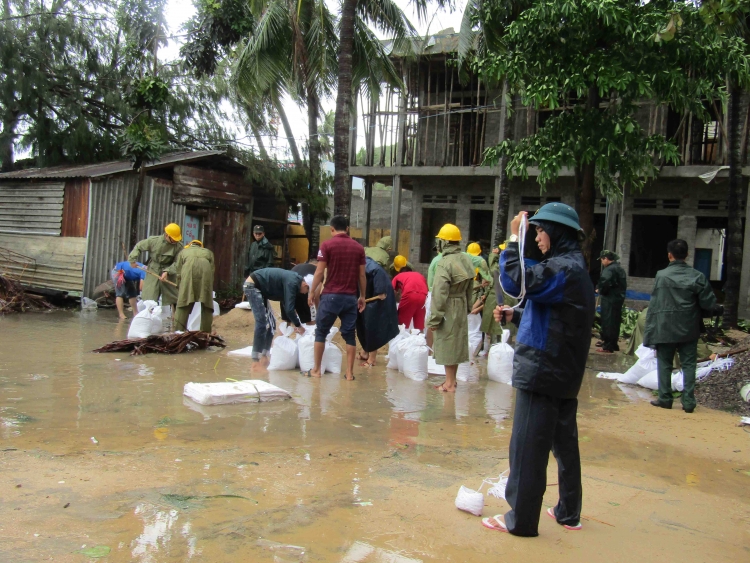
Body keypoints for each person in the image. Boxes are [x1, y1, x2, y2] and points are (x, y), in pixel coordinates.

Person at [486, 203, 595, 537]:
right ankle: (568, 512)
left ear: (556, 231)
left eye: (540, 230)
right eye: (534, 231)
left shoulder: (564, 269)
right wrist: (514, 317)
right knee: (563, 443)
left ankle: (520, 519)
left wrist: (514, 239)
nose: (537, 237)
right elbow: (555, 315)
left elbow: (517, 281)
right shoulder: (573, 269)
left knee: (528, 446)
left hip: (543, 369)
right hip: (563, 369)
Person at [643, 239, 722, 413]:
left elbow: (655, 305)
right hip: (688, 327)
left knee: (664, 363)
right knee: (689, 364)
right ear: (687, 255)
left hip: (664, 327)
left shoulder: (661, 276)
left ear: (669, 255)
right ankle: (688, 402)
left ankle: (665, 398)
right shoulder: (697, 276)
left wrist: (650, 330)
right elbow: (708, 303)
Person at [308, 215, 366, 381]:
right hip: (350, 298)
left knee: (321, 332)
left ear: (332, 229)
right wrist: (362, 296)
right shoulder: (358, 248)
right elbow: (362, 276)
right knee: (350, 335)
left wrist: (312, 292)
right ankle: (349, 373)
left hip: (330, 296)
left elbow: (319, 272)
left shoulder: (327, 245)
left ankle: (317, 370)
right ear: (347, 229)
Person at [426, 224, 474, 393]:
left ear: (444, 242)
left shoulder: (444, 263)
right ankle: (451, 381)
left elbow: (439, 293)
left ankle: (449, 383)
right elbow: (471, 287)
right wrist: (468, 307)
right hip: (461, 304)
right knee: (455, 344)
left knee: (447, 343)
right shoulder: (466, 259)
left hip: (448, 306)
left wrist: (434, 318)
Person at [243, 267, 311, 362]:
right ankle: (256, 359)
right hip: (253, 286)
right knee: (262, 322)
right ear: (305, 284)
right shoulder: (293, 282)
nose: (303, 294)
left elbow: (286, 304)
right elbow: (289, 309)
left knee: (271, 324)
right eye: (305, 291)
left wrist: (292, 322)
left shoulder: (294, 281)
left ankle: (264, 355)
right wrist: (299, 326)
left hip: (262, 290)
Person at [128, 223, 183, 310]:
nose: (175, 241)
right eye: (173, 239)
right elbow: (139, 246)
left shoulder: (179, 247)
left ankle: (175, 319)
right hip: (153, 269)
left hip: (169, 271)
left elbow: (178, 262)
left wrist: (167, 271)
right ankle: (149, 316)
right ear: (167, 235)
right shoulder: (154, 241)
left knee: (174, 297)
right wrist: (132, 259)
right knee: (150, 297)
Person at [356, 257, 399, 367]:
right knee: (361, 324)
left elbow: (381, 295)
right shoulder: (358, 266)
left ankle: (372, 359)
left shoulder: (374, 270)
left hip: (377, 300)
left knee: (371, 325)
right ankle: (365, 352)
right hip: (367, 298)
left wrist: (364, 300)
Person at [173, 240, 215, 332]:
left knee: (183, 303)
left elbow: (178, 272)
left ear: (190, 246)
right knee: (207, 305)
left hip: (188, 277)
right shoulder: (208, 252)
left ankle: (178, 332)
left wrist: (180, 288)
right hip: (205, 277)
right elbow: (212, 272)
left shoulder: (183, 252)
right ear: (201, 247)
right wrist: (209, 287)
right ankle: (205, 334)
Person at [596, 250, 627, 353]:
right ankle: (614, 344)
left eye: (602, 259)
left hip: (609, 299)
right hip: (618, 299)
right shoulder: (620, 269)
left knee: (608, 322)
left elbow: (605, 282)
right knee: (615, 322)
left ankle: (608, 346)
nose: (601, 262)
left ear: (605, 258)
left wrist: (600, 289)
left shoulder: (609, 270)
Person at [280, 261, 320, 326]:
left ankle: (282, 334)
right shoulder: (319, 271)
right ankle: (309, 333)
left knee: (286, 321)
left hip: (286, 289)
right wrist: (318, 313)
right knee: (309, 321)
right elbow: (316, 296)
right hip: (303, 289)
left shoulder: (297, 266)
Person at [392, 262, 428, 330]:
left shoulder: (398, 276)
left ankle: (401, 337)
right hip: (424, 295)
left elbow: (392, 292)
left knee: (401, 323)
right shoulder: (419, 274)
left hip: (410, 294)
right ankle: (420, 338)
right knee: (419, 323)